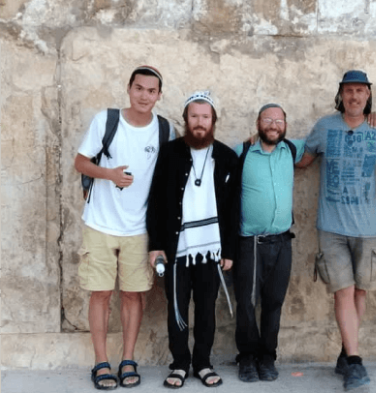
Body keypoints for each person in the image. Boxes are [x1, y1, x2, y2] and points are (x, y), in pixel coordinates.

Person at [75, 65, 170, 389]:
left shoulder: (163, 129)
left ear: (159, 95)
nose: (144, 95)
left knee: (133, 295)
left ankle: (128, 359)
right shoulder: (107, 120)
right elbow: (81, 162)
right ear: (129, 89)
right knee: (100, 293)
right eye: (139, 88)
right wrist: (110, 175)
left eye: (151, 90)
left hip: (139, 228)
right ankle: (101, 363)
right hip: (100, 223)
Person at [296, 70, 376, 390]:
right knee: (344, 291)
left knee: (360, 291)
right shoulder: (324, 127)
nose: (354, 97)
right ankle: (354, 362)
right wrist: (267, 143)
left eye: (360, 91)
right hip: (332, 227)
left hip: (367, 227)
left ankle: (345, 351)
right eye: (349, 91)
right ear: (341, 95)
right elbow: (303, 161)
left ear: (368, 96)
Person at [146, 91, 240, 389]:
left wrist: (229, 249)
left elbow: (232, 208)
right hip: (177, 248)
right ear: (186, 119)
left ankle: (202, 363)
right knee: (177, 307)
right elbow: (157, 202)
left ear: (213, 121)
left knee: (206, 308)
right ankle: (179, 364)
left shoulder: (227, 157)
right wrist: (156, 246)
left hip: (211, 250)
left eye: (206, 117)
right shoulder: (170, 152)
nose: (200, 122)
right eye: (194, 116)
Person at [233, 104, 305, 383]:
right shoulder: (241, 152)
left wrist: (370, 117)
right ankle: (247, 358)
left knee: (274, 302)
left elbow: (319, 145)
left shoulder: (292, 149)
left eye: (279, 120)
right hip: (251, 242)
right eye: (267, 119)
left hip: (282, 242)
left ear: (285, 124)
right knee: (247, 303)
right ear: (258, 123)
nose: (273, 125)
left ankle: (267, 357)